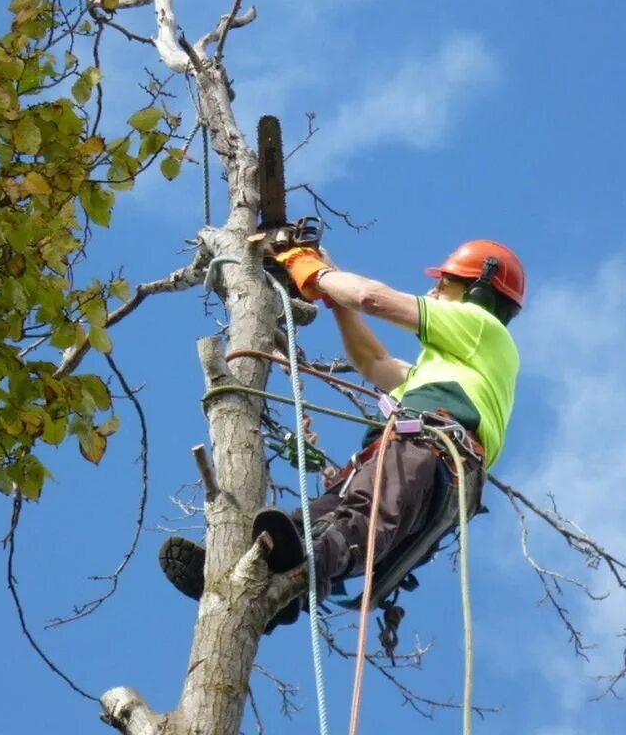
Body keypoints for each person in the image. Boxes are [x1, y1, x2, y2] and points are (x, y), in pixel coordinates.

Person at [158, 239, 524, 629]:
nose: (433, 290)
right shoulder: (443, 369)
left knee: (357, 523)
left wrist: (314, 272)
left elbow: (370, 297)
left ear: (480, 288)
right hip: (407, 457)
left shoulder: (483, 329)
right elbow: (373, 360)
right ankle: (239, 577)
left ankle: (298, 581)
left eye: (446, 283)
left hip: (430, 453)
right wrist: (332, 294)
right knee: (302, 525)